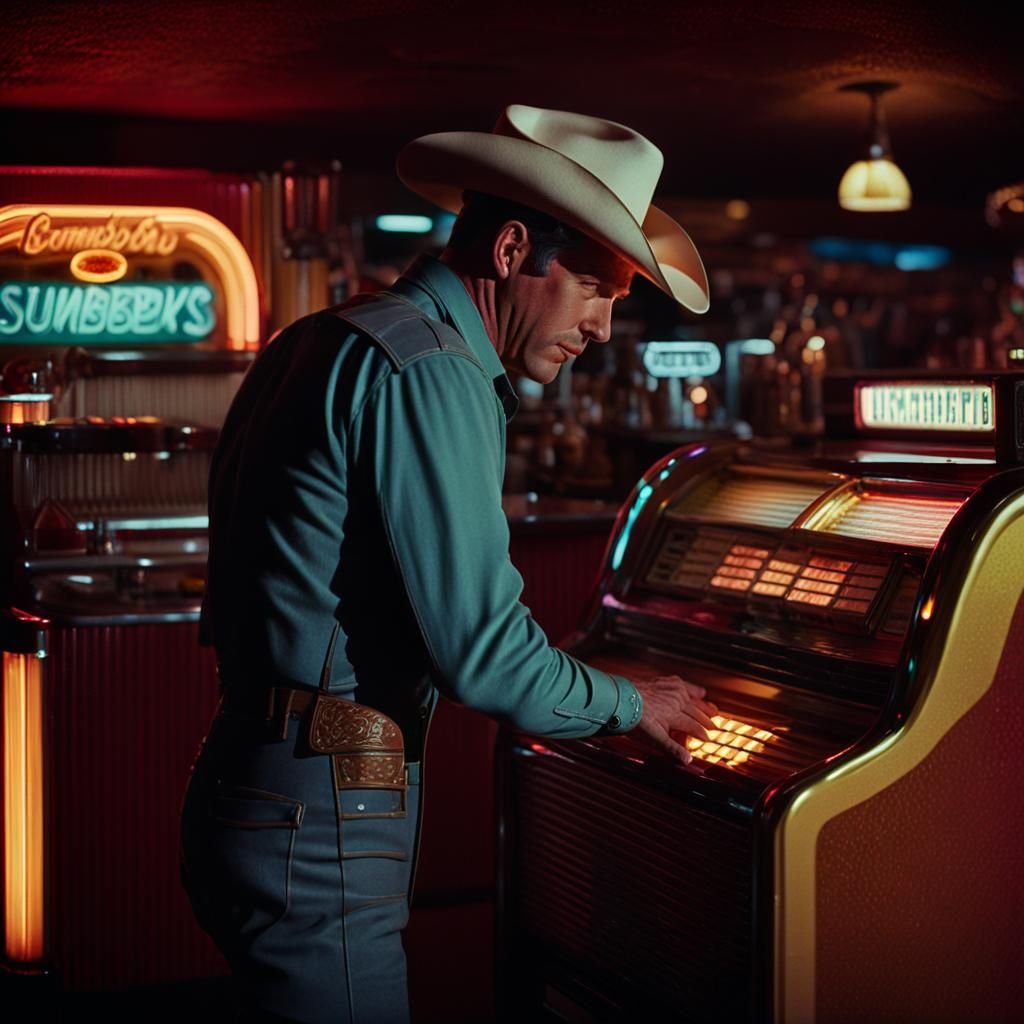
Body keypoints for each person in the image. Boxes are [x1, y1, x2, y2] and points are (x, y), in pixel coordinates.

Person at [179, 103, 719, 1023]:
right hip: (326, 808)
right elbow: (484, 654)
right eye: (594, 287)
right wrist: (631, 702)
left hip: (254, 780)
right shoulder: (433, 370)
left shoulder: (323, 337)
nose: (600, 328)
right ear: (512, 251)